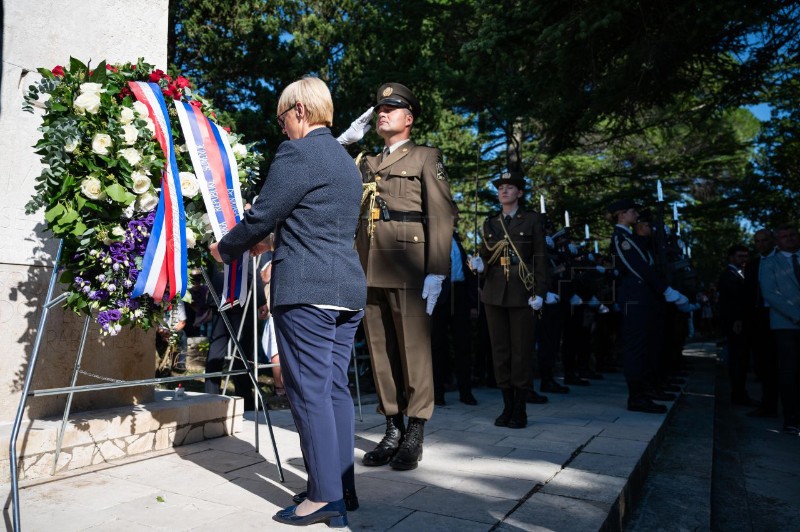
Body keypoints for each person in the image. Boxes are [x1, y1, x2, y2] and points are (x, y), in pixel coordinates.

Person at [210, 76, 366, 527]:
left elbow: (262, 214)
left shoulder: (298, 152)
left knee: (308, 393)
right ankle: (340, 487)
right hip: (346, 290)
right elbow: (317, 220)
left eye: (282, 118)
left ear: (299, 109)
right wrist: (275, 238)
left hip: (307, 291)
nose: (281, 128)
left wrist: (228, 248)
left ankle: (323, 497)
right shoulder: (343, 160)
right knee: (334, 390)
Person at [355, 82, 455, 471]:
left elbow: (442, 215)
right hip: (369, 265)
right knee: (380, 351)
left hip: (408, 263)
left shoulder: (426, 157)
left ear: (408, 118)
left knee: (413, 350)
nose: (383, 113)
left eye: (391, 109)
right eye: (379, 108)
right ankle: (392, 426)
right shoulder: (365, 160)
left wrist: (437, 271)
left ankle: (415, 429)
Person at [470, 171, 549, 429]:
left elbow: (539, 259)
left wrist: (540, 292)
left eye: (510, 187)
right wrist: (479, 266)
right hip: (494, 292)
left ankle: (520, 408)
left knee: (521, 351)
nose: (504, 191)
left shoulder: (533, 221)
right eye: (501, 187)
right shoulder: (490, 223)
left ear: (520, 193)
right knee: (500, 351)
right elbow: (486, 255)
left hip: (522, 292)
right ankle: (507, 405)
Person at [608, 198, 688, 414]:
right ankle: (637, 397)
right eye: (632, 211)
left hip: (645, 299)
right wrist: (665, 290)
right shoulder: (620, 238)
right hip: (635, 300)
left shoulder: (630, 237)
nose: (636, 215)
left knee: (649, 347)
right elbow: (638, 268)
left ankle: (647, 391)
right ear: (621, 214)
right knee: (636, 349)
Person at [759, 224, 800, 434]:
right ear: (778, 241)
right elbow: (771, 294)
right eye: (784, 236)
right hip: (786, 325)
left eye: (793, 234)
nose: (790, 238)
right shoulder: (769, 263)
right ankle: (792, 417)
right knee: (790, 371)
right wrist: (797, 315)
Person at [431, 230, 479, 406]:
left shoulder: (458, 242)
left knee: (463, 345)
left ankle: (466, 391)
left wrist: (473, 304)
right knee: (437, 345)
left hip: (459, 295)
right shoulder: (432, 238)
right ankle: (438, 392)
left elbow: (468, 275)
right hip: (439, 296)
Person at [744, 229, 778, 417]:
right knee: (765, 364)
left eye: (765, 240)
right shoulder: (752, 265)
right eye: (757, 241)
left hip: (782, 316)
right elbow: (747, 295)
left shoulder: (783, 260)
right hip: (759, 318)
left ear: (772, 240)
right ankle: (769, 405)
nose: (761, 244)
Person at [718, 244, 756, 406]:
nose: (744, 259)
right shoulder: (729, 275)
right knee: (738, 359)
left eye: (746, 256)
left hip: (739, 322)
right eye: (740, 256)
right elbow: (734, 301)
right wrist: (737, 320)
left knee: (740, 359)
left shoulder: (739, 273)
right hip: (735, 323)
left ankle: (740, 393)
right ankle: (738, 394)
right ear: (731, 257)